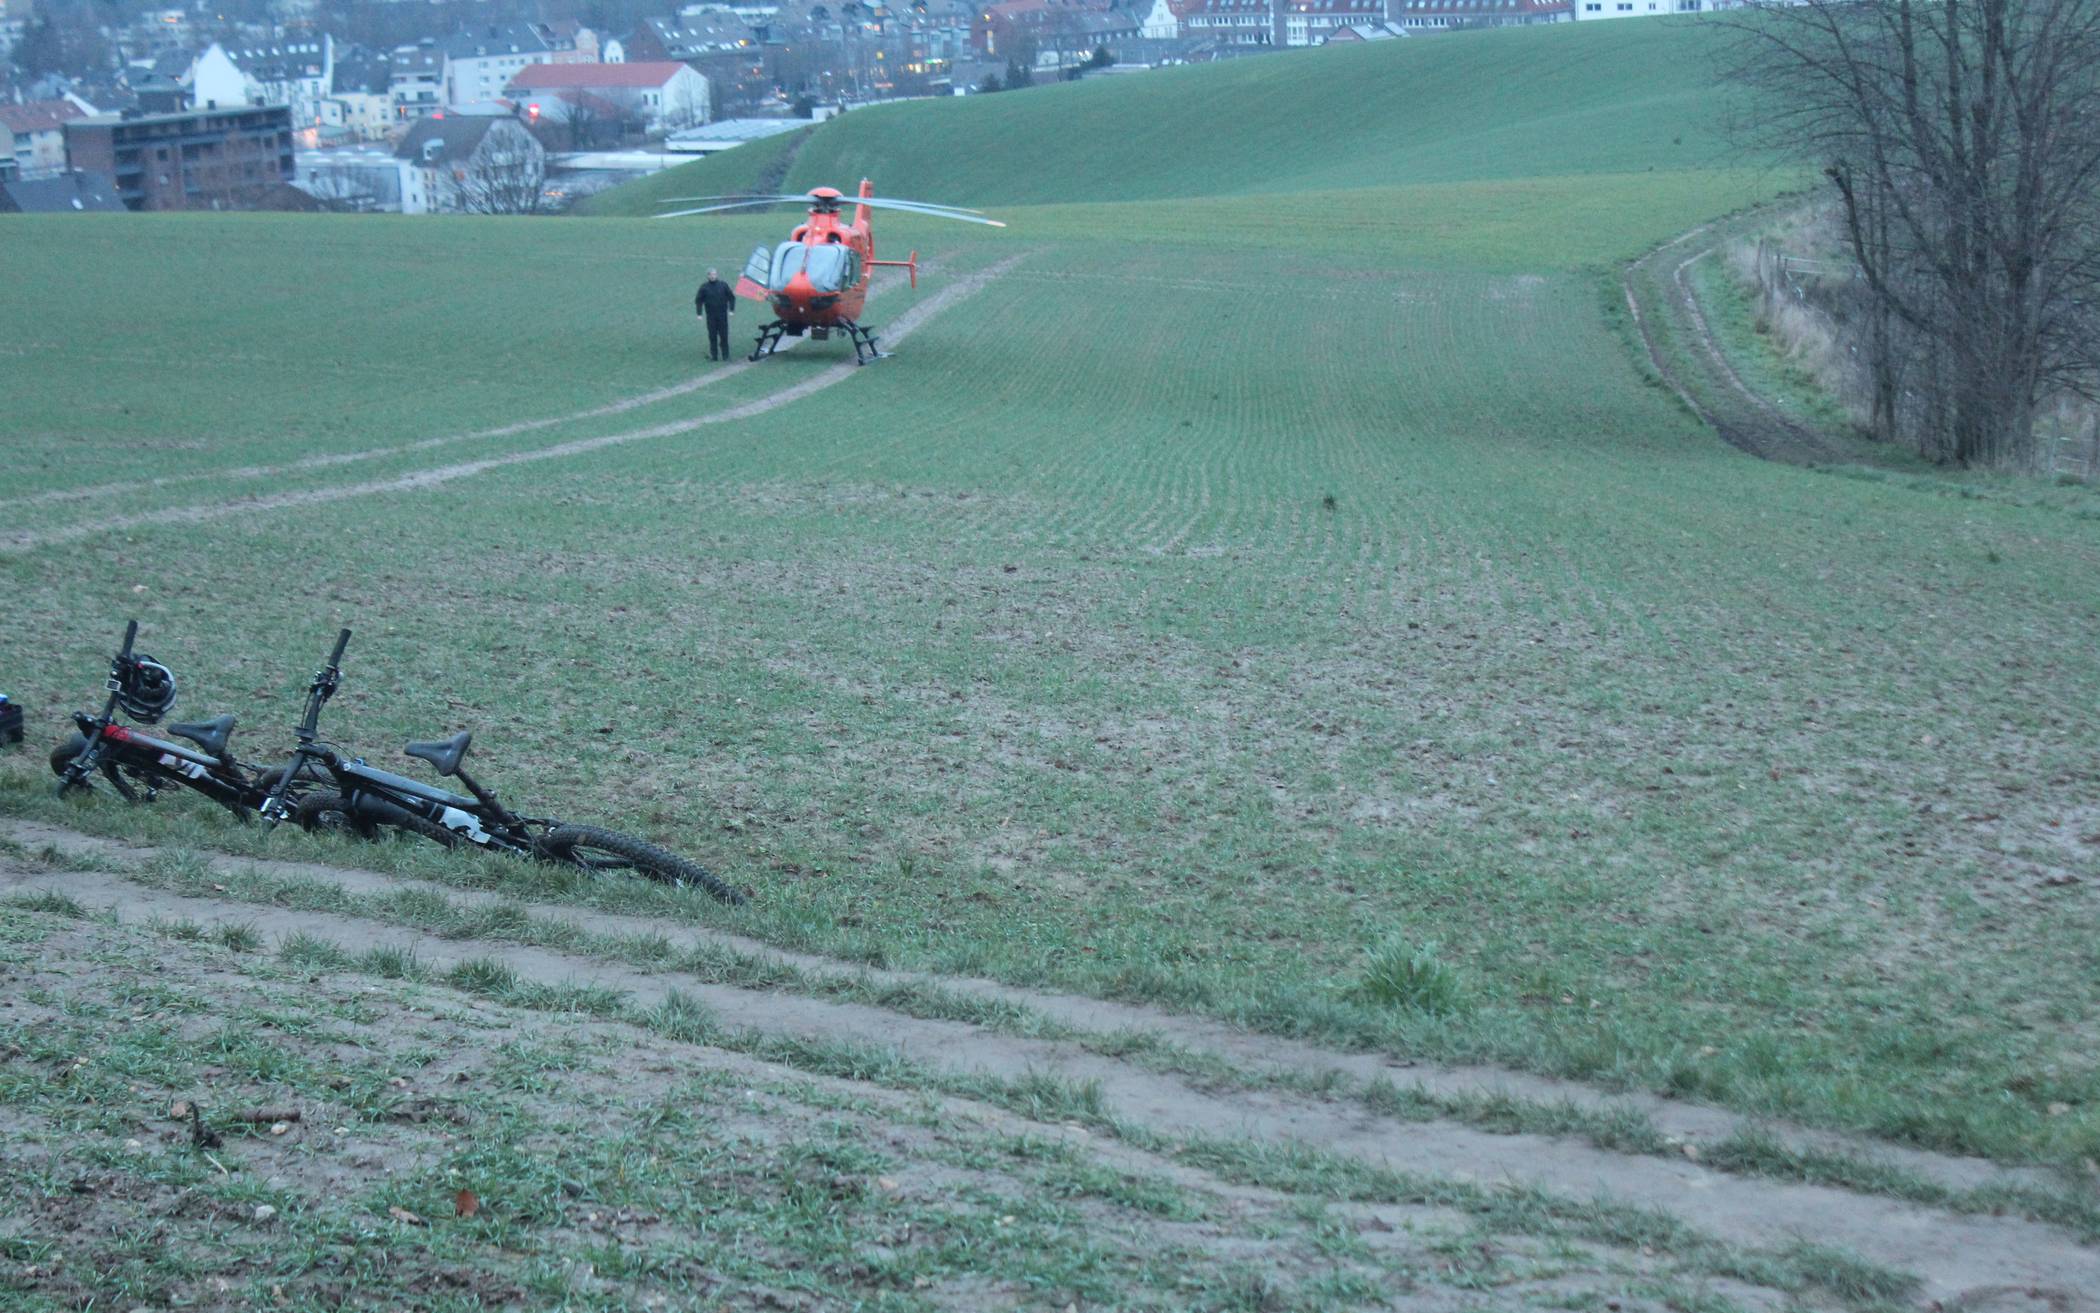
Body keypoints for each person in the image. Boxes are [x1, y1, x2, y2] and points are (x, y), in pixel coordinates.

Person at [695, 268, 736, 362]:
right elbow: (698, 301)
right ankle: (714, 357)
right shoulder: (704, 287)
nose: (713, 276)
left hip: (722, 315)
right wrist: (699, 313)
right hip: (711, 316)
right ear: (708, 276)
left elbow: (731, 297)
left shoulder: (723, 285)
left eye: (714, 274)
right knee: (712, 336)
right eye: (711, 274)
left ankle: (726, 356)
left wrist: (731, 310)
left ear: (717, 275)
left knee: (724, 336)